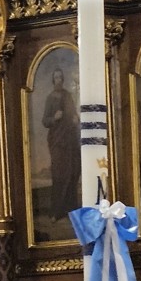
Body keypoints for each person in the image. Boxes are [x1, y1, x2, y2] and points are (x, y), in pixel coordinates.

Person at [42, 68, 80, 218]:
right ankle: (56, 211)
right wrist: (54, 118)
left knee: (72, 172)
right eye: (56, 78)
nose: (58, 80)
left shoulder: (68, 96)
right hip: (57, 142)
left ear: (62, 80)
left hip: (70, 140)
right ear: (53, 80)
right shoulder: (50, 98)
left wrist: (76, 119)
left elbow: (73, 114)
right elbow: (45, 121)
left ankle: (71, 210)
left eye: (60, 77)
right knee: (59, 175)